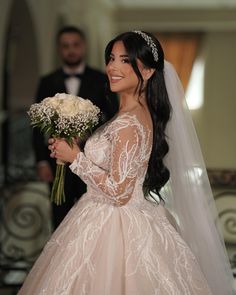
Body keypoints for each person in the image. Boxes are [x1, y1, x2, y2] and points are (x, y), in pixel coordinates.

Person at [19, 31, 234, 294]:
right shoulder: (129, 115)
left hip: (115, 224)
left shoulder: (129, 122)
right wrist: (75, 148)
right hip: (101, 212)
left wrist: (75, 158)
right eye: (111, 59)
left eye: (124, 60)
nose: (112, 67)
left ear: (146, 72)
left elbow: (119, 192)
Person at [33, 26, 119, 228]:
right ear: (59, 49)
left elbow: (113, 118)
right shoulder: (47, 81)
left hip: (92, 161)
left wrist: (89, 135)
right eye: (65, 46)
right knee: (59, 216)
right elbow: (36, 125)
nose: (71, 50)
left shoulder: (101, 79)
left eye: (75, 45)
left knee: (91, 216)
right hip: (56, 162)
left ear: (84, 46)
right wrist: (41, 161)